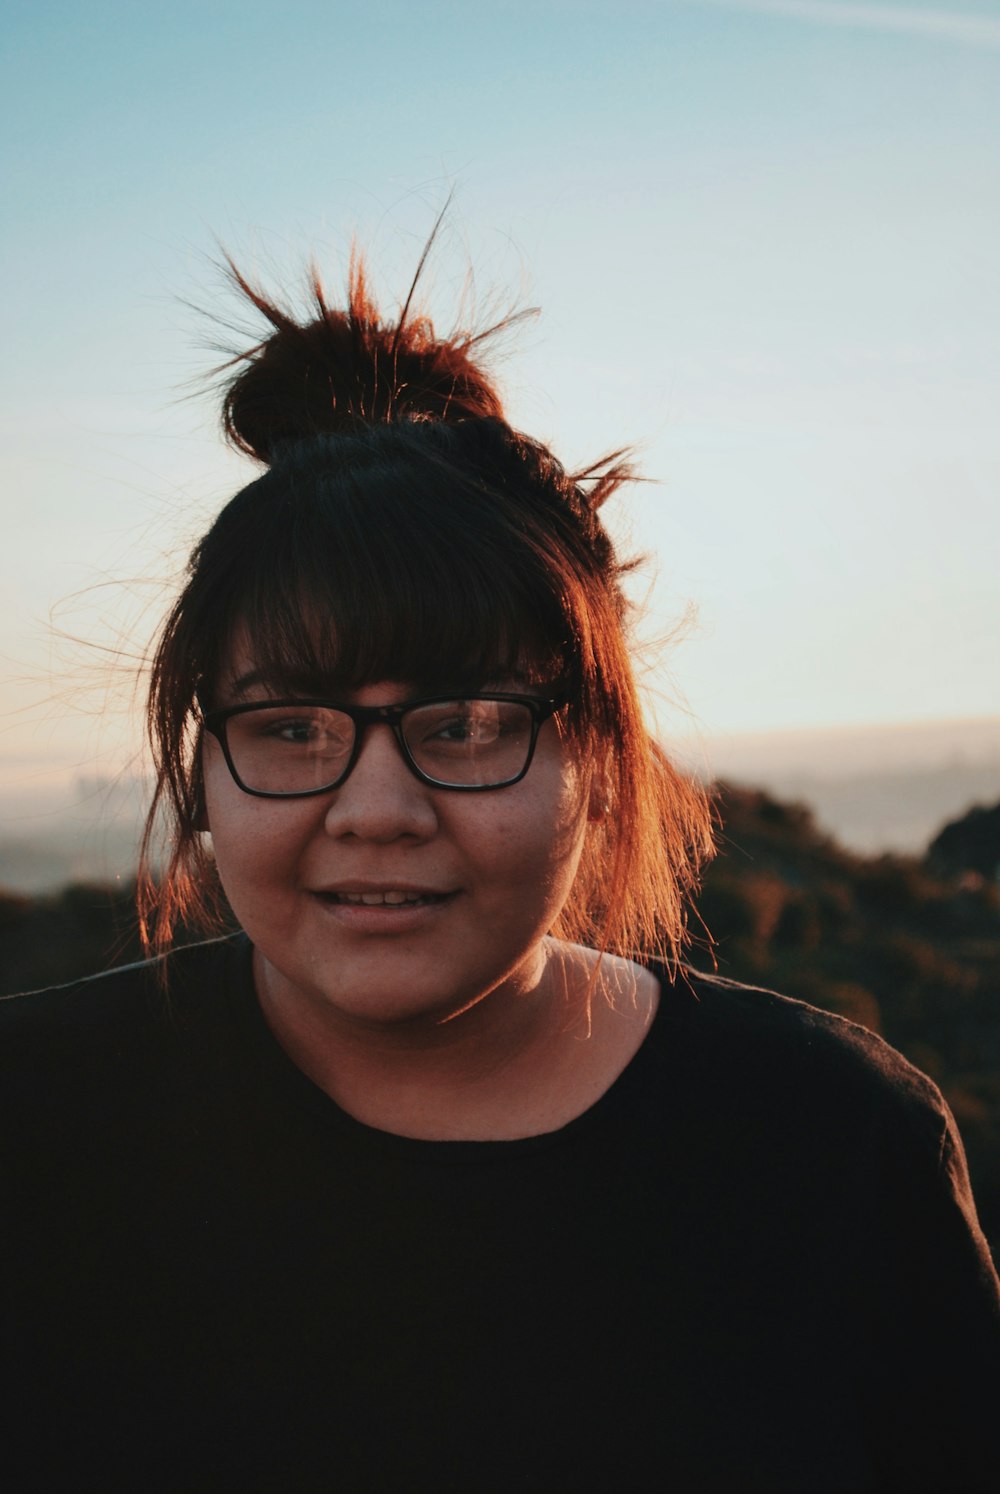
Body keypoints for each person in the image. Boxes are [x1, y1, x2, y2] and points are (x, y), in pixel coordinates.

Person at [2, 240, 998, 1494]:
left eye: (467, 723)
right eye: (292, 726)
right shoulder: (36, 1123)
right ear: (203, 768)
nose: (375, 810)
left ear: (596, 752)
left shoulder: (836, 1147)